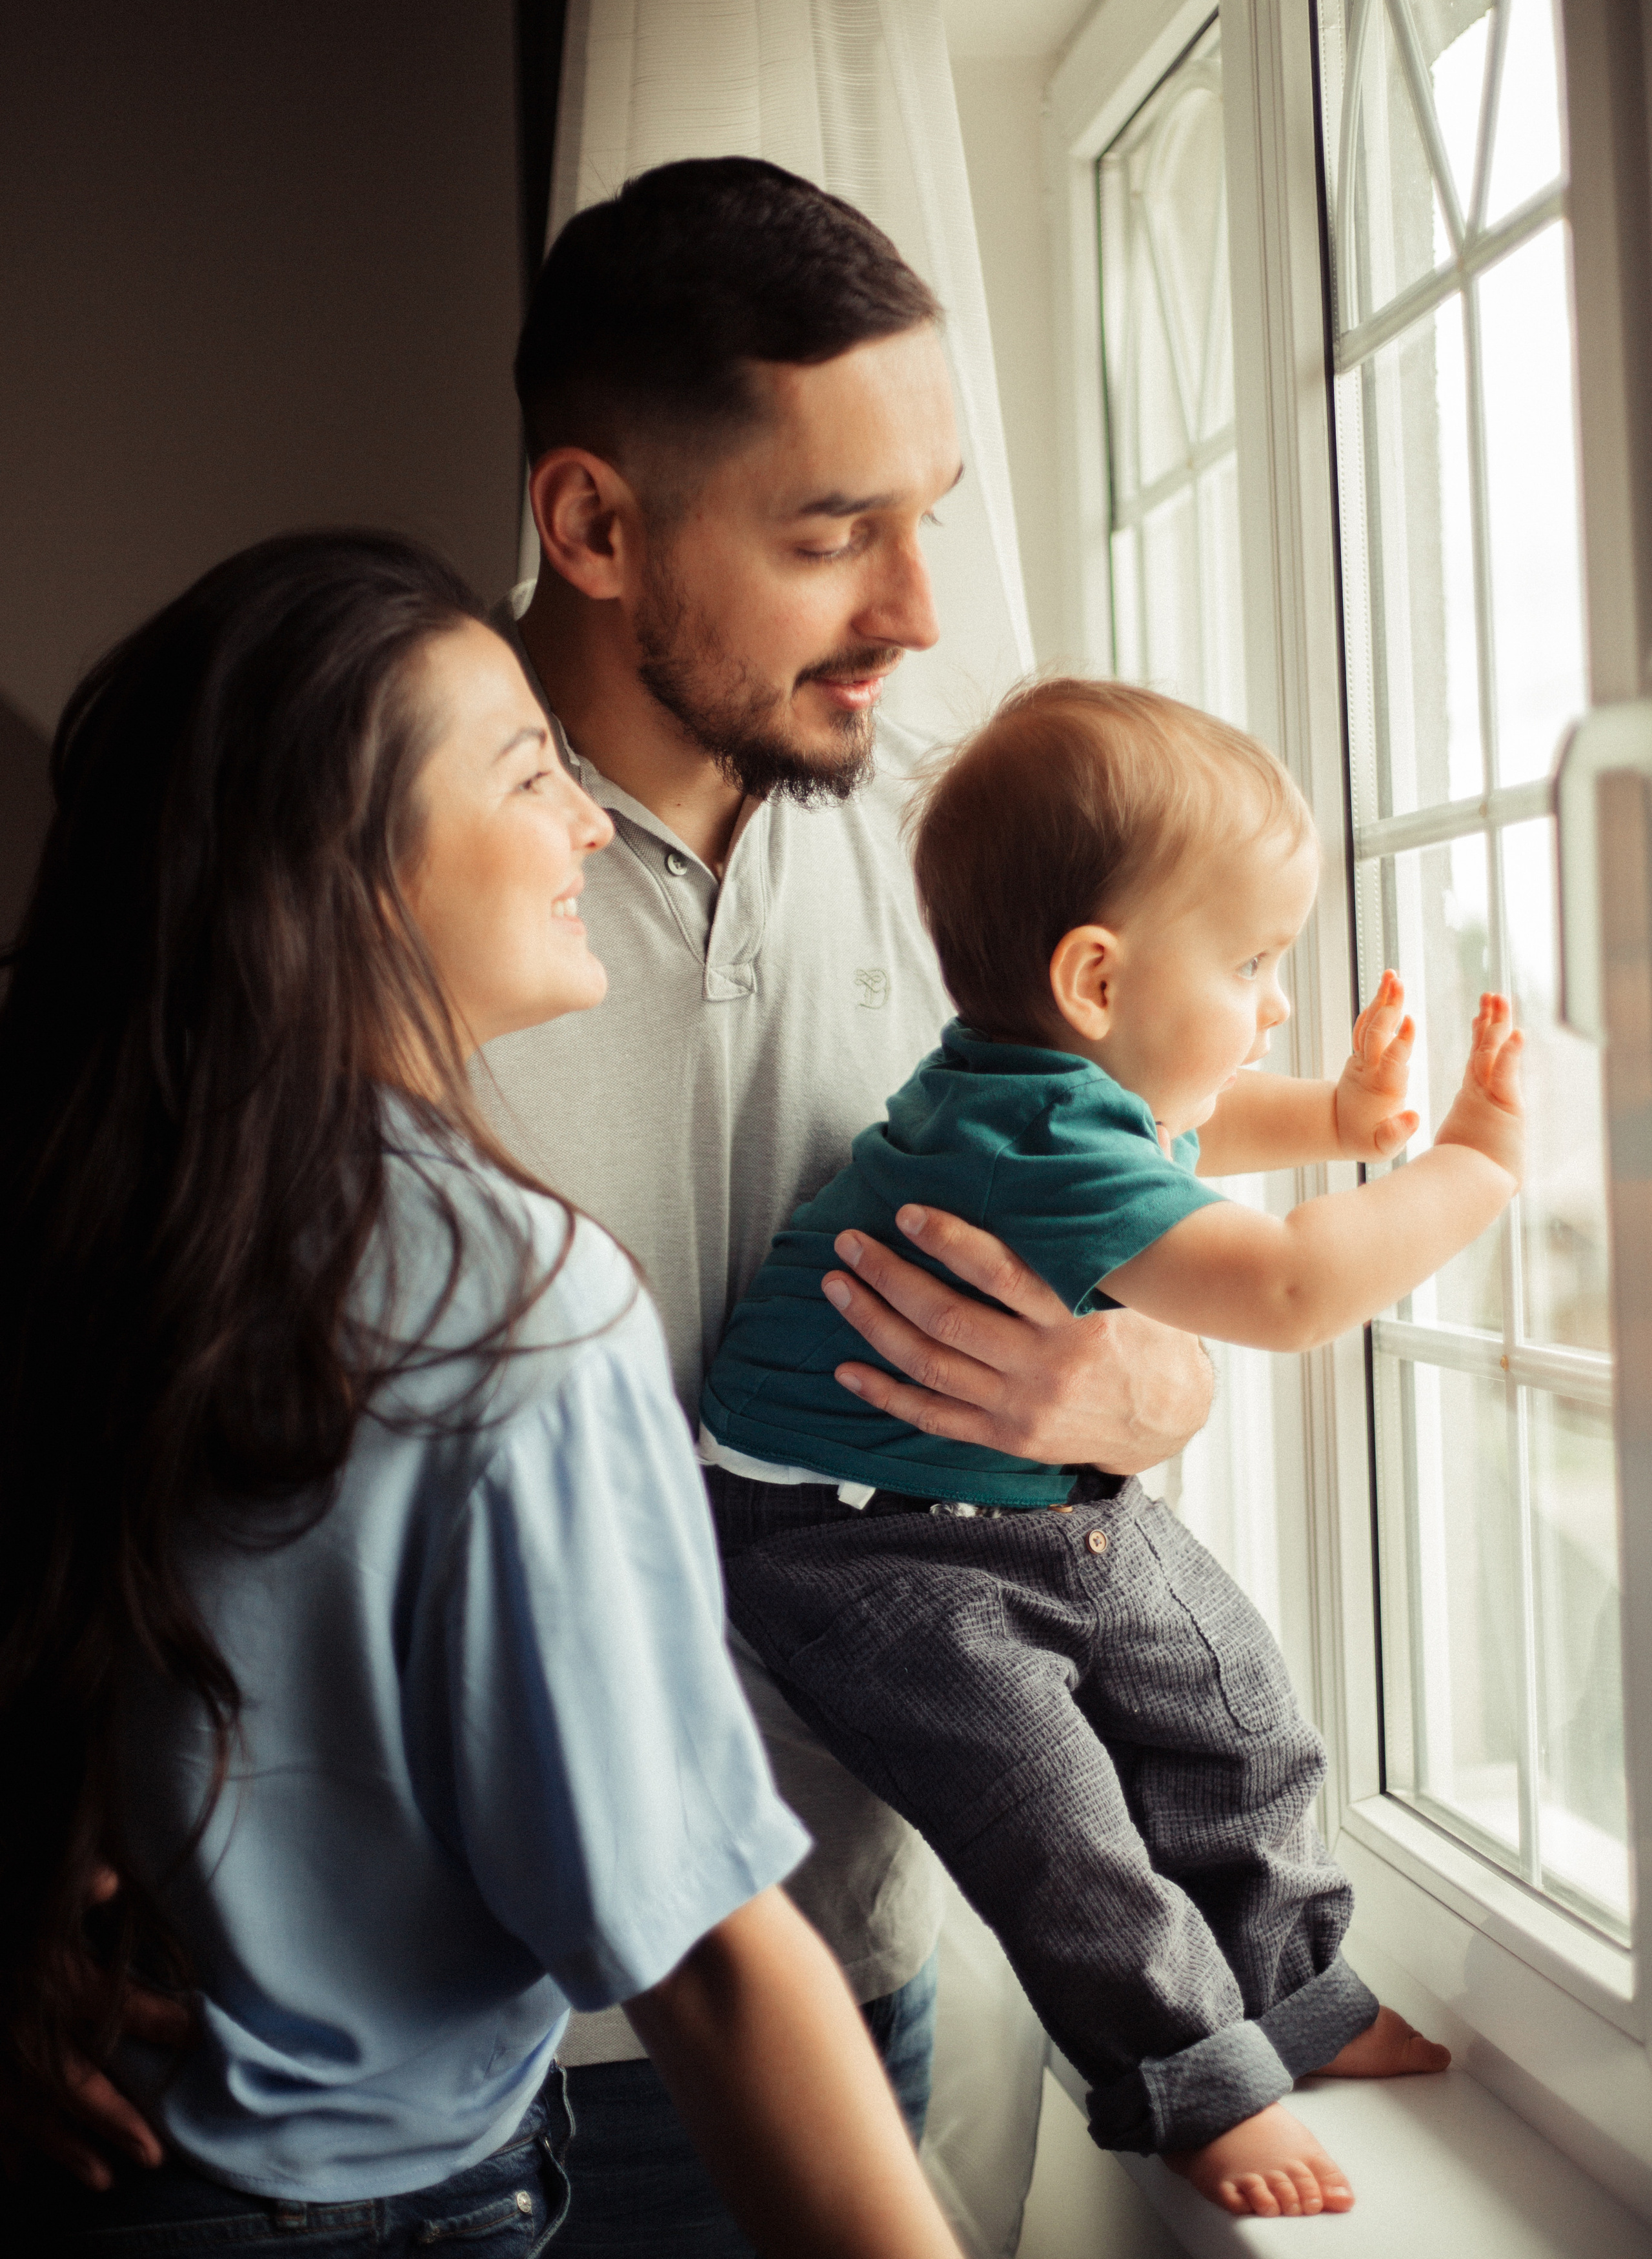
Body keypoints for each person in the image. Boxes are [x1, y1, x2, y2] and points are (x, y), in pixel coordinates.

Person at [23, 161, 1214, 2252]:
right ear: (590, 524)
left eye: (931, 510)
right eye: (838, 532)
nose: (919, 610)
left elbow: (1165, 1249)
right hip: (405, 2051)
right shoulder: (326, 841)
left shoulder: (992, 848)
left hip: (821, 1960)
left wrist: (1146, 1391)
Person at [0, 530, 964, 2259]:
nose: (591, 825)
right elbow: (716, 1967)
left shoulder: (82, 1217)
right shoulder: (513, 1306)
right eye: (533, 773)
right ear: (343, 865)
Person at [701, 678, 1520, 2222]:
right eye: (1253, 963)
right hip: (844, 1543)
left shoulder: (1047, 1092)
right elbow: (1286, 1290)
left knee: (1231, 1706)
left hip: (1002, 1500)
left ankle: (1296, 1998)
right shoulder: (1036, 1144)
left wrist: (1336, 1117)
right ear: (1094, 977)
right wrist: (1468, 1170)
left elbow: (1196, 1128)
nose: (1273, 999)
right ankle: (1190, 2084)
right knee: (1051, 1811)